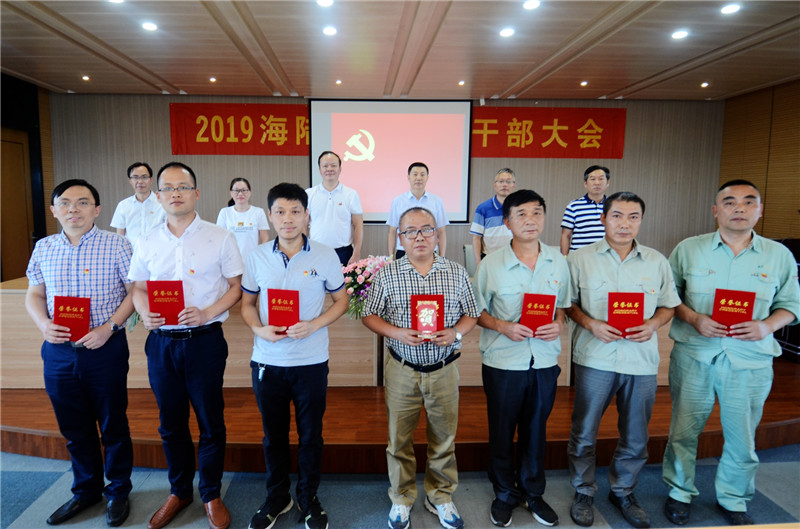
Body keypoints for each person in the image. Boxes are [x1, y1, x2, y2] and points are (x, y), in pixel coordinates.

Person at [661, 179, 800, 526]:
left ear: (759, 210)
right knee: (683, 431)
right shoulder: (688, 249)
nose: (739, 208)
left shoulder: (779, 255)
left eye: (748, 202)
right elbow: (669, 298)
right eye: (730, 202)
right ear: (715, 210)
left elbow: (791, 305)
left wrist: (767, 326)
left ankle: (734, 498)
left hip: (750, 359)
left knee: (742, 436)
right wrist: (694, 318)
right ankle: (679, 492)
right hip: (695, 354)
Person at [128, 162, 243, 529]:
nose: (175, 193)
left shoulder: (221, 237)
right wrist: (144, 312)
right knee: (170, 422)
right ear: (158, 196)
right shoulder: (147, 240)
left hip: (204, 342)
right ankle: (179, 491)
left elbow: (236, 287)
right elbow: (138, 287)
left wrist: (207, 312)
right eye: (168, 188)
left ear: (196, 193)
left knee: (210, 420)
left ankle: (211, 493)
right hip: (161, 344)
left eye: (183, 187)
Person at [565, 191, 680, 529]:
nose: (624, 223)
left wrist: (653, 324)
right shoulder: (580, 259)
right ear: (603, 219)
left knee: (635, 434)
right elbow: (568, 304)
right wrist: (591, 324)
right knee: (584, 431)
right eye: (617, 215)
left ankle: (624, 491)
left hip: (640, 360)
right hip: (595, 357)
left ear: (641, 221)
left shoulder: (657, 261)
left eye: (633, 217)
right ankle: (583, 491)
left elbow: (669, 305)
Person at [25, 179, 135, 527]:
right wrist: (43, 324)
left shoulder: (118, 244)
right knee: (74, 426)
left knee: (113, 423)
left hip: (104, 348)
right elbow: (35, 294)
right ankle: (86, 490)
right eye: (65, 203)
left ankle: (118, 491)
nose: (74, 209)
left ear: (97, 210)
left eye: (83, 202)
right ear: (54, 210)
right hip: (58, 350)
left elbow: (135, 292)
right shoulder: (44, 247)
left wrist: (109, 328)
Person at [240, 182, 348, 529]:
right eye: (280, 212)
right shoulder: (256, 256)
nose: (288, 219)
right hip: (268, 362)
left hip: (310, 362)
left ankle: (308, 498)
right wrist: (258, 329)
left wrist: (314, 324)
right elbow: (247, 304)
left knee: (310, 435)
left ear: (307, 216)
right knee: (273, 437)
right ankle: (277, 497)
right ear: (270, 216)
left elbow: (341, 301)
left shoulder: (325, 255)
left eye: (295, 211)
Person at [363, 207, 478, 529]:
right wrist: (396, 332)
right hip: (402, 369)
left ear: (437, 235)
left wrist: (455, 333)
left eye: (427, 229)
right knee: (399, 439)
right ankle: (401, 497)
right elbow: (369, 315)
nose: (419, 237)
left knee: (444, 437)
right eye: (410, 231)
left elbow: (472, 313)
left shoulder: (456, 272)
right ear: (400, 238)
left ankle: (440, 495)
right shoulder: (388, 274)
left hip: (444, 368)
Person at [473, 189, 571, 528]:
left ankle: (533, 492)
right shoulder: (490, 264)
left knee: (536, 431)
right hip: (503, 362)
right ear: (507, 222)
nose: (531, 220)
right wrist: (503, 326)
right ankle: (504, 493)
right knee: (502, 431)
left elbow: (564, 306)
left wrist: (559, 323)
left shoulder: (558, 260)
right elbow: (475, 312)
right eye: (522, 214)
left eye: (537, 213)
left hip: (543, 361)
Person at [306, 151, 364, 266]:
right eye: (325, 166)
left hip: (344, 252)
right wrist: (304, 249)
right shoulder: (309, 194)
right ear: (319, 169)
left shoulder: (351, 194)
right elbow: (303, 226)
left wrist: (356, 254)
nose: (329, 169)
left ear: (340, 169)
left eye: (333, 165)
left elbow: (358, 226)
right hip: (316, 251)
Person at [387, 162, 449, 259]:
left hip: (429, 251)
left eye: (422, 175)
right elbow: (392, 231)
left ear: (427, 178)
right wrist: (390, 257)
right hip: (404, 251)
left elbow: (441, 231)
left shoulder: (436, 201)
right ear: (408, 177)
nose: (419, 178)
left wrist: (442, 257)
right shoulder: (398, 201)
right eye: (415, 174)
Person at [110, 162, 165, 245]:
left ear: (151, 180)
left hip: (157, 250)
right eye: (135, 177)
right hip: (131, 252)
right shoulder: (123, 205)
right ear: (130, 181)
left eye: (144, 177)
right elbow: (120, 236)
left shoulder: (163, 204)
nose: (140, 181)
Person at [216, 177, 270, 262]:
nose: (240, 194)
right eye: (236, 190)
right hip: (230, 261)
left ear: (250, 192)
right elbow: (219, 238)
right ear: (231, 193)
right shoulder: (225, 212)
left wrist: (259, 256)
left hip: (253, 261)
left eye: (244, 190)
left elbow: (265, 238)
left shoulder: (258, 212)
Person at [470, 168, 516, 266]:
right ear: (495, 185)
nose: (504, 185)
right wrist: (478, 262)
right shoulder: (483, 208)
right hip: (489, 259)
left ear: (514, 185)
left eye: (508, 182)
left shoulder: (519, 208)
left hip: (513, 259)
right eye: (501, 181)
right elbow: (476, 238)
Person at [560, 165, 610, 255]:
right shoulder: (574, 206)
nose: (597, 183)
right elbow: (565, 235)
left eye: (601, 179)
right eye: (592, 179)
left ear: (608, 183)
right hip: (579, 257)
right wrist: (564, 258)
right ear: (585, 184)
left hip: (605, 257)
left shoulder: (613, 207)